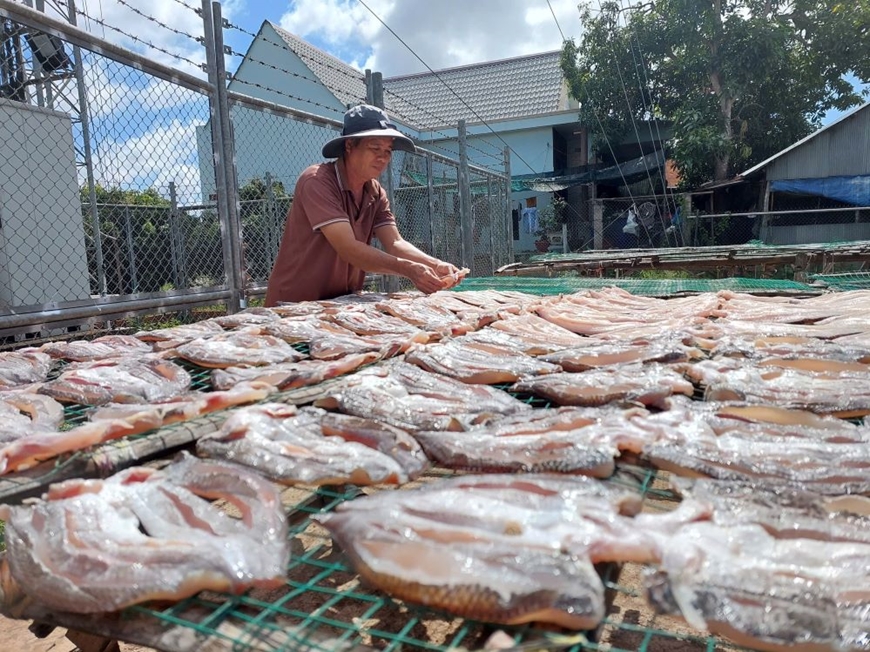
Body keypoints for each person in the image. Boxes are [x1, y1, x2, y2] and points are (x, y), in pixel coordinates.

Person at [265, 104, 464, 305]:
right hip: (293, 306)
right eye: (375, 148)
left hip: (338, 305)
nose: (383, 158)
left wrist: (435, 264)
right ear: (350, 146)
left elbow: (395, 243)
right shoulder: (317, 181)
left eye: (388, 151)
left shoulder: (375, 192)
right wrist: (408, 269)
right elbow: (348, 248)